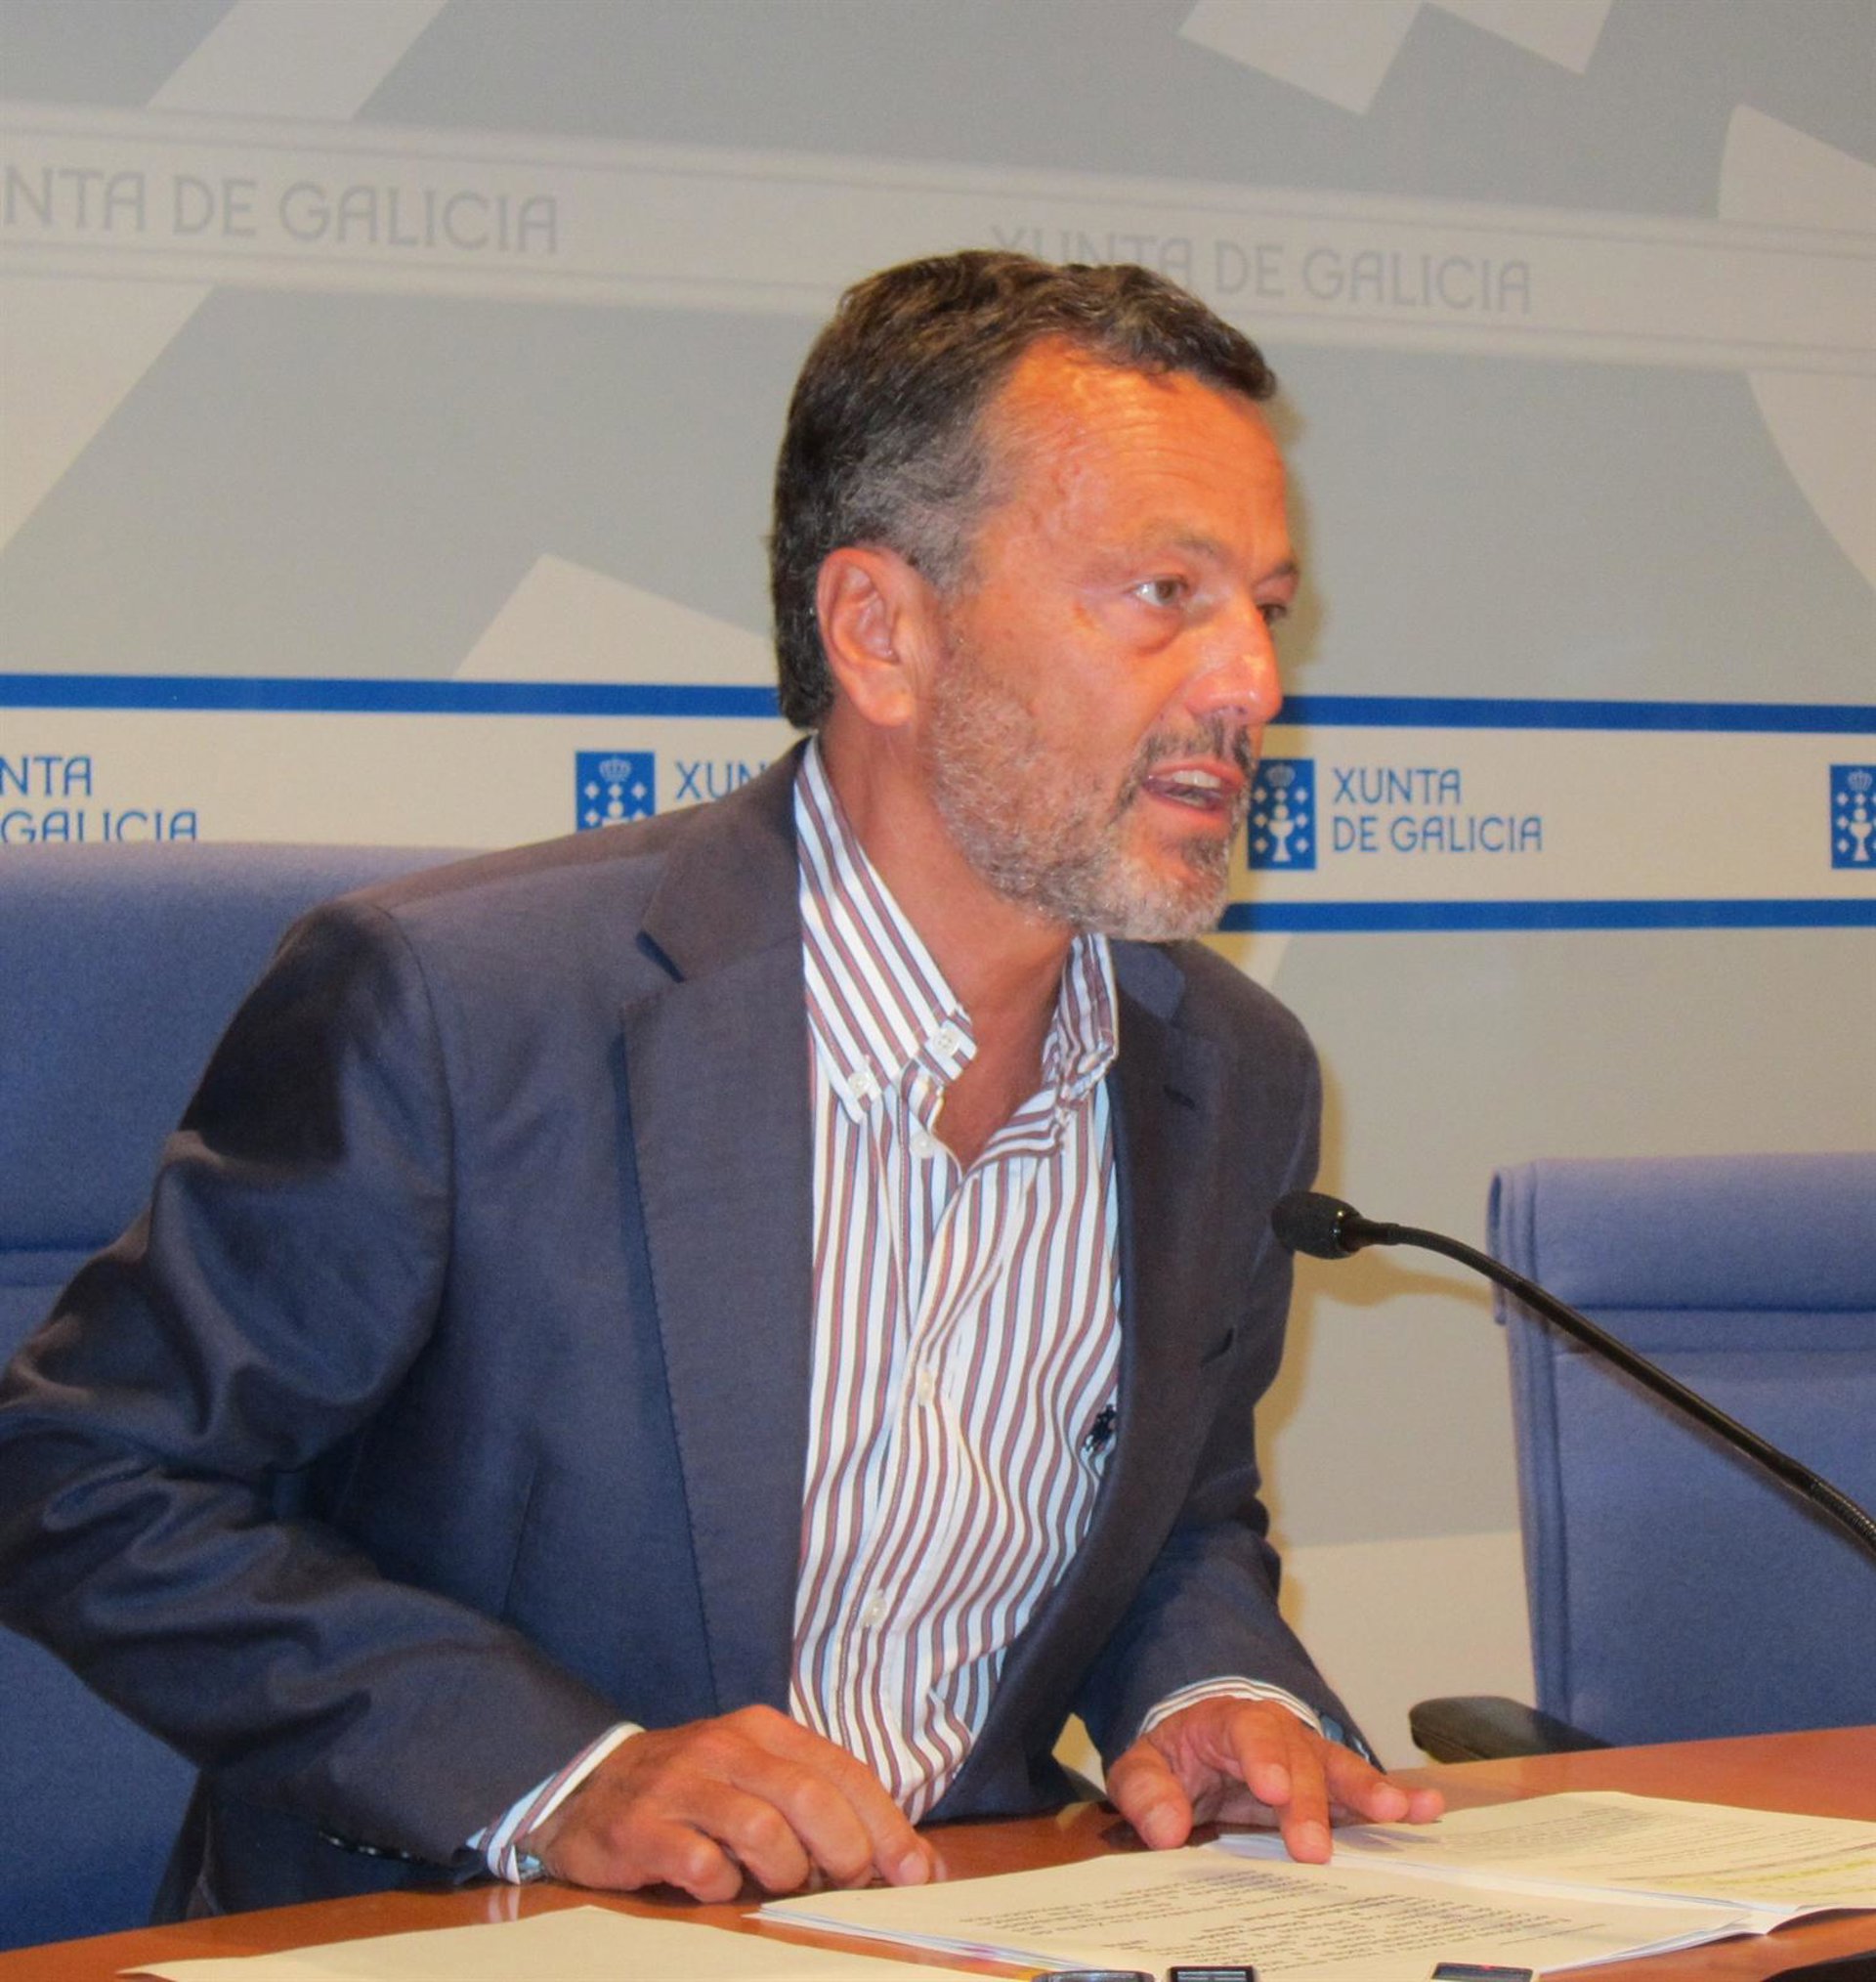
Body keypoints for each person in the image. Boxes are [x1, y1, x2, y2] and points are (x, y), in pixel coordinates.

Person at [0, 250, 1439, 1920]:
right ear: (881, 632)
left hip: (967, 1922)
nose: (1251, 684)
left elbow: (1179, 1516)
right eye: (1163, 594)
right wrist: (564, 1774)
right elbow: (84, 1477)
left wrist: (1208, 1687)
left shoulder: (1229, 1072)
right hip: (485, 1933)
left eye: (1264, 607)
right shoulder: (465, 1012)